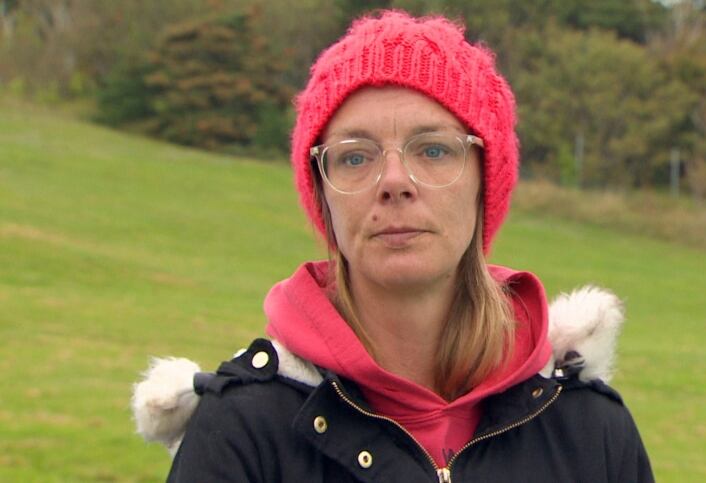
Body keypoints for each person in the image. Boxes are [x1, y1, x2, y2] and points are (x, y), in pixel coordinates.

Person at [135, 10, 654, 482]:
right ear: (322, 193)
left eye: (433, 149)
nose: (394, 181)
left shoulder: (591, 431)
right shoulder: (242, 430)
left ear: (484, 181)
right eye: (356, 157)